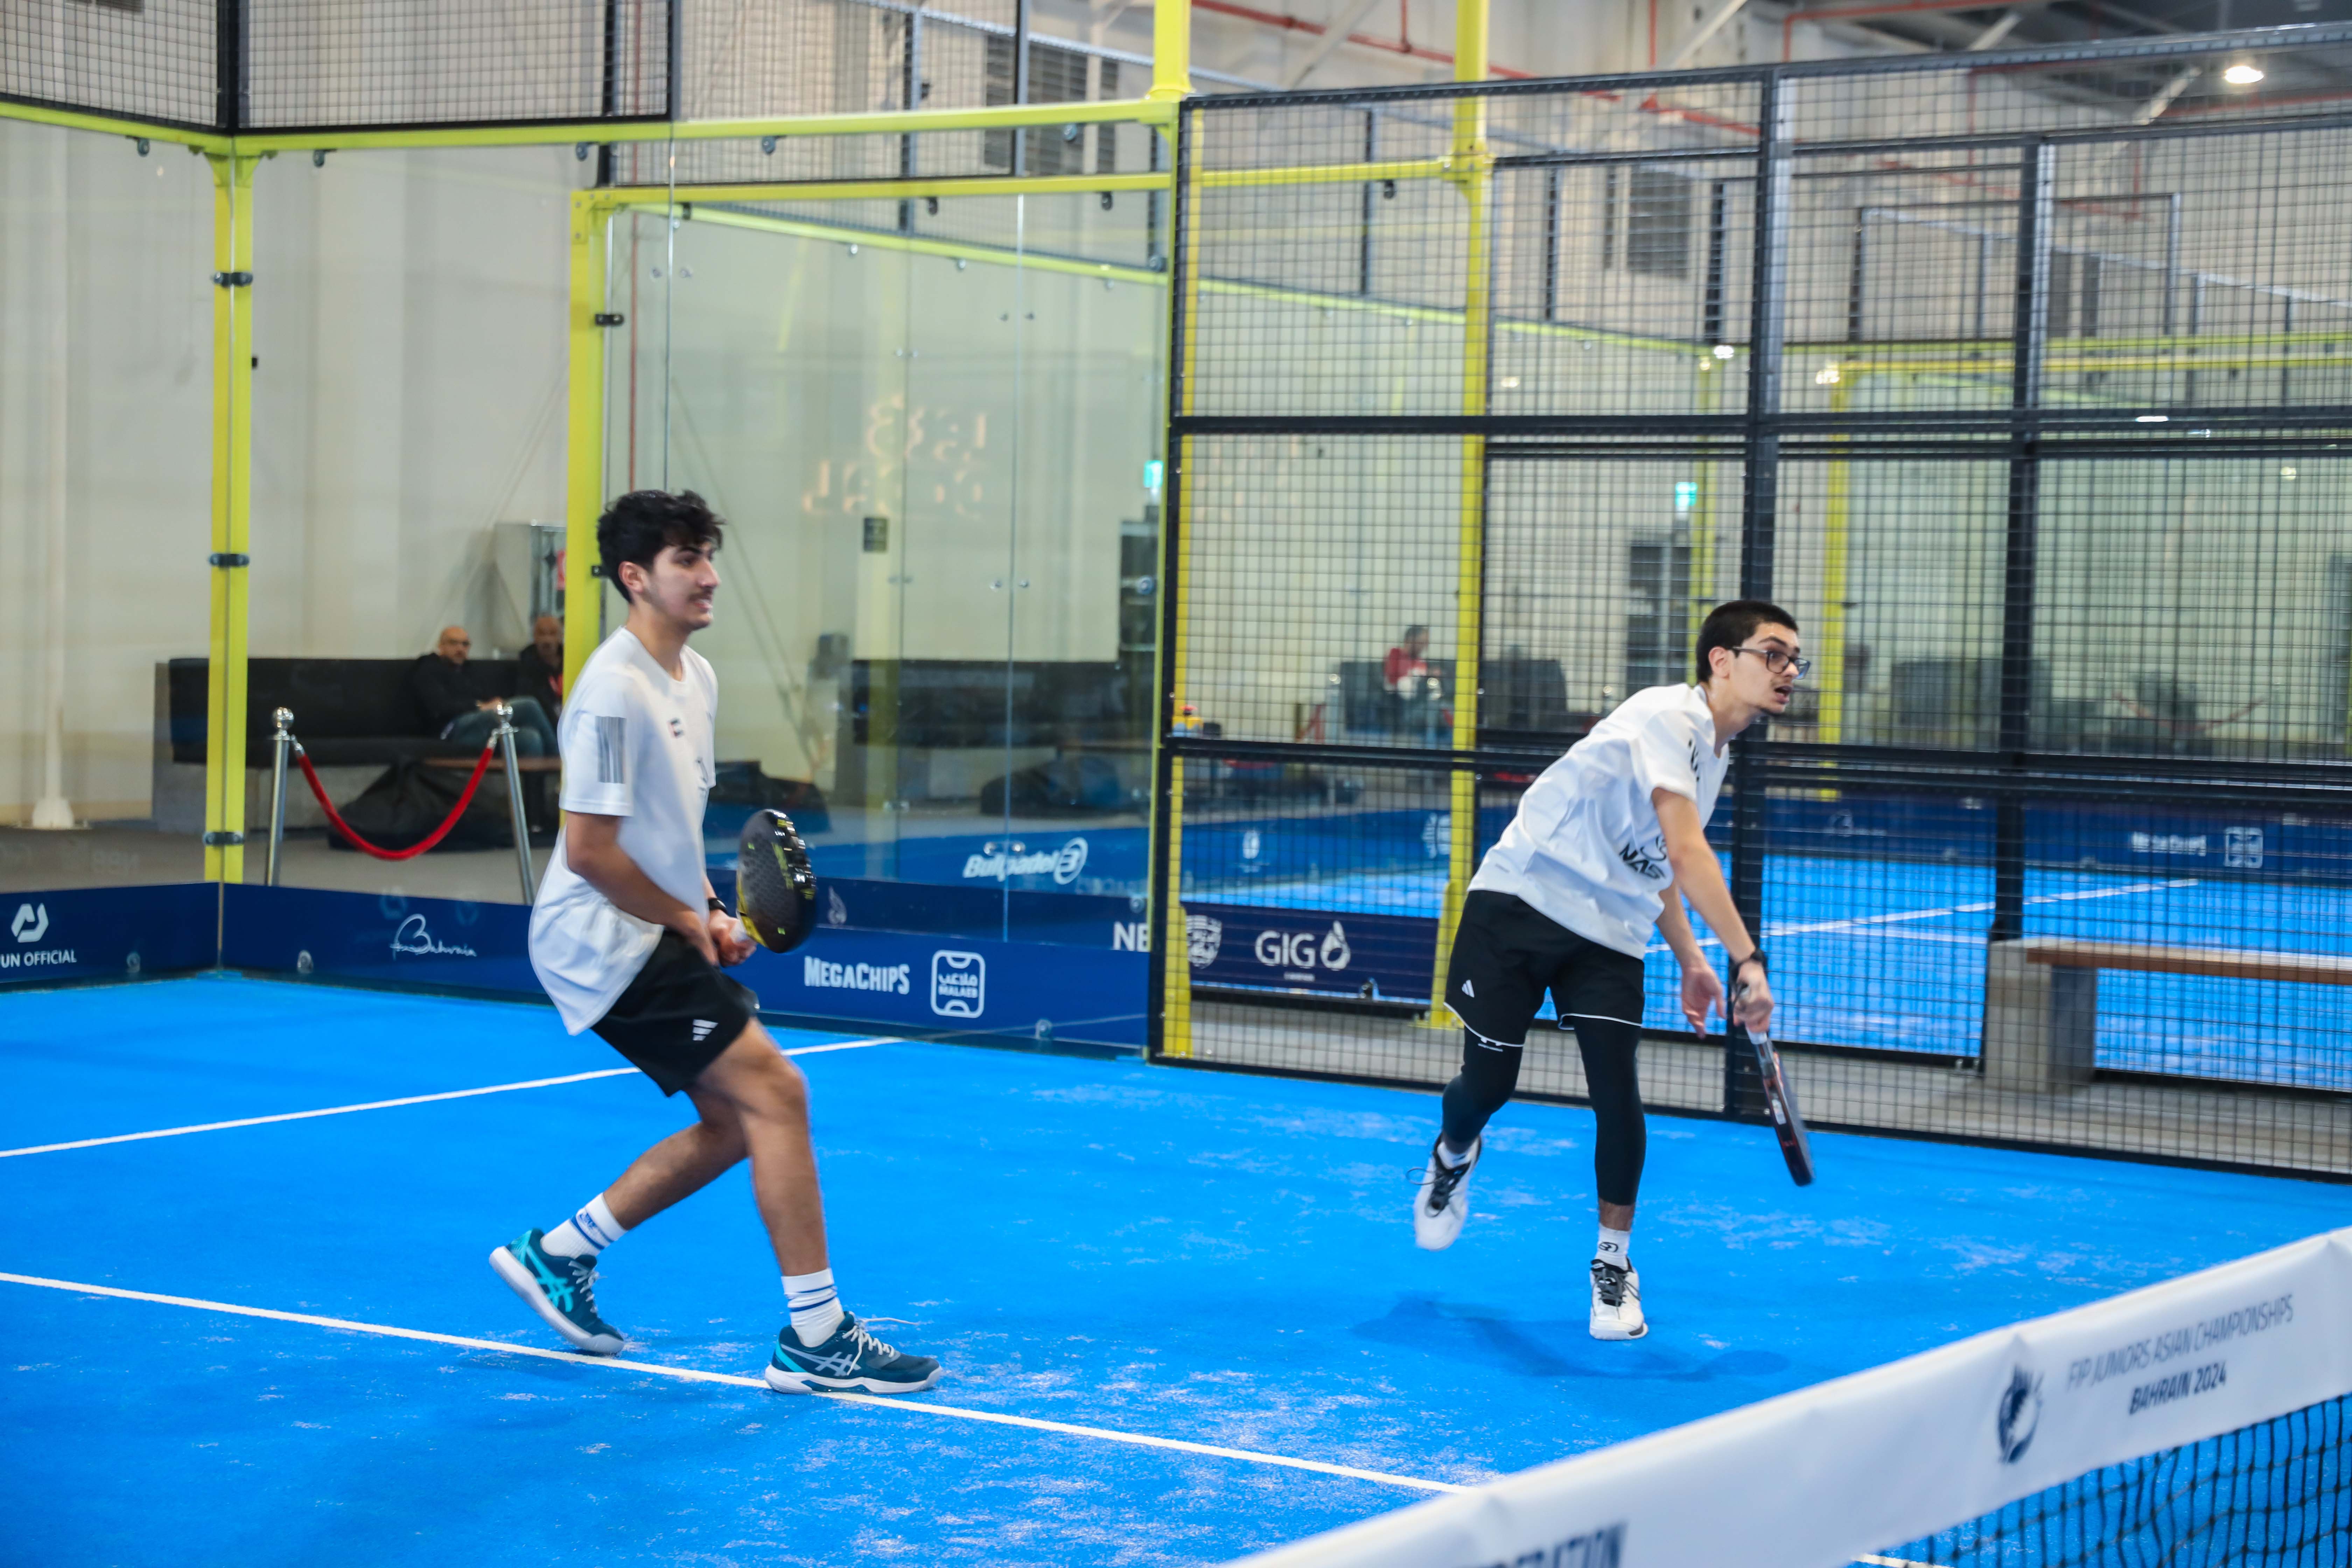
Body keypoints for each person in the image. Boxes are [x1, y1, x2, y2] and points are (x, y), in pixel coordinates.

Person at [491, 489, 941, 1395]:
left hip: (646, 924)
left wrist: (705, 906)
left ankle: (561, 1253)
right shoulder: (612, 693)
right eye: (687, 559)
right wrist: (686, 919)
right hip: (596, 937)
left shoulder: (694, 678)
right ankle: (818, 1337)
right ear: (635, 577)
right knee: (778, 1090)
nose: (710, 576)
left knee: (739, 1121)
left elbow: (668, 831)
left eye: (708, 555)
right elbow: (590, 852)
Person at [1409, 600, 1802, 1342]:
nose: (1788, 671)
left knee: (1617, 1092)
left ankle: (1613, 1266)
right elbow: (1687, 852)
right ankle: (1454, 1151)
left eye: (1794, 660)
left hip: (1610, 932)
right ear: (1722, 660)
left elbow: (1657, 864)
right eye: (1773, 653)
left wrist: (1691, 958)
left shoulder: (1714, 755)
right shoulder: (1669, 717)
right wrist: (1745, 958)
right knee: (1487, 1087)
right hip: (1523, 900)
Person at [409, 625, 558, 757]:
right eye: (453, 643)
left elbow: (485, 697)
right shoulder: (428, 668)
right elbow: (440, 707)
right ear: (441, 646)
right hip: (450, 730)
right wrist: (480, 707)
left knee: (531, 738)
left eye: (465, 644)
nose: (460, 649)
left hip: (478, 730)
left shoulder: (468, 671)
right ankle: (562, 763)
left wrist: (491, 704)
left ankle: (535, 782)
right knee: (529, 705)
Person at [517, 614, 566, 721]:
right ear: (534, 636)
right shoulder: (526, 665)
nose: (547, 640)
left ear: (561, 636)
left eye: (553, 633)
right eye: (542, 633)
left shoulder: (570, 662)